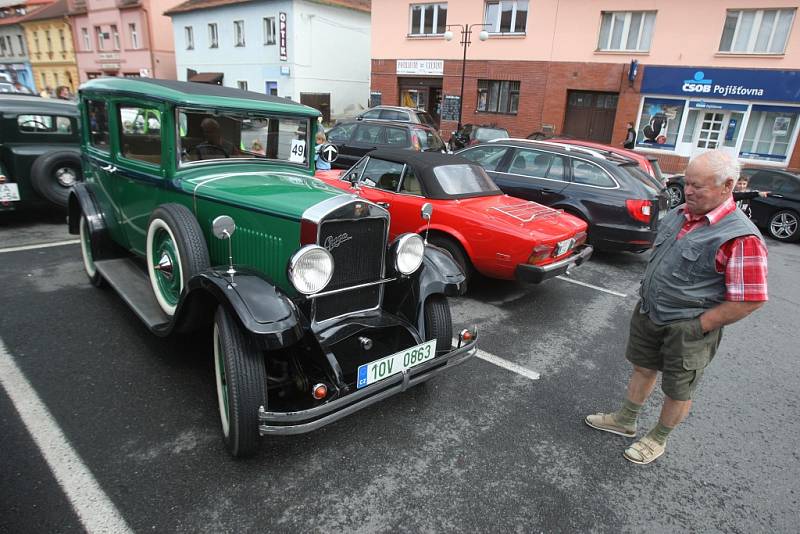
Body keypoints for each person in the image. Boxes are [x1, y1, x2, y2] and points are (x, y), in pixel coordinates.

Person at [585, 150, 768, 465]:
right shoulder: (681, 213)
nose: (689, 191)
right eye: (688, 183)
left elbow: (749, 299)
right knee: (643, 367)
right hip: (650, 312)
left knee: (678, 389)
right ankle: (626, 420)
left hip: (689, 328)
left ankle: (658, 437)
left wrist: (698, 326)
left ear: (727, 186)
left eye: (699, 186)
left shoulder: (741, 237)